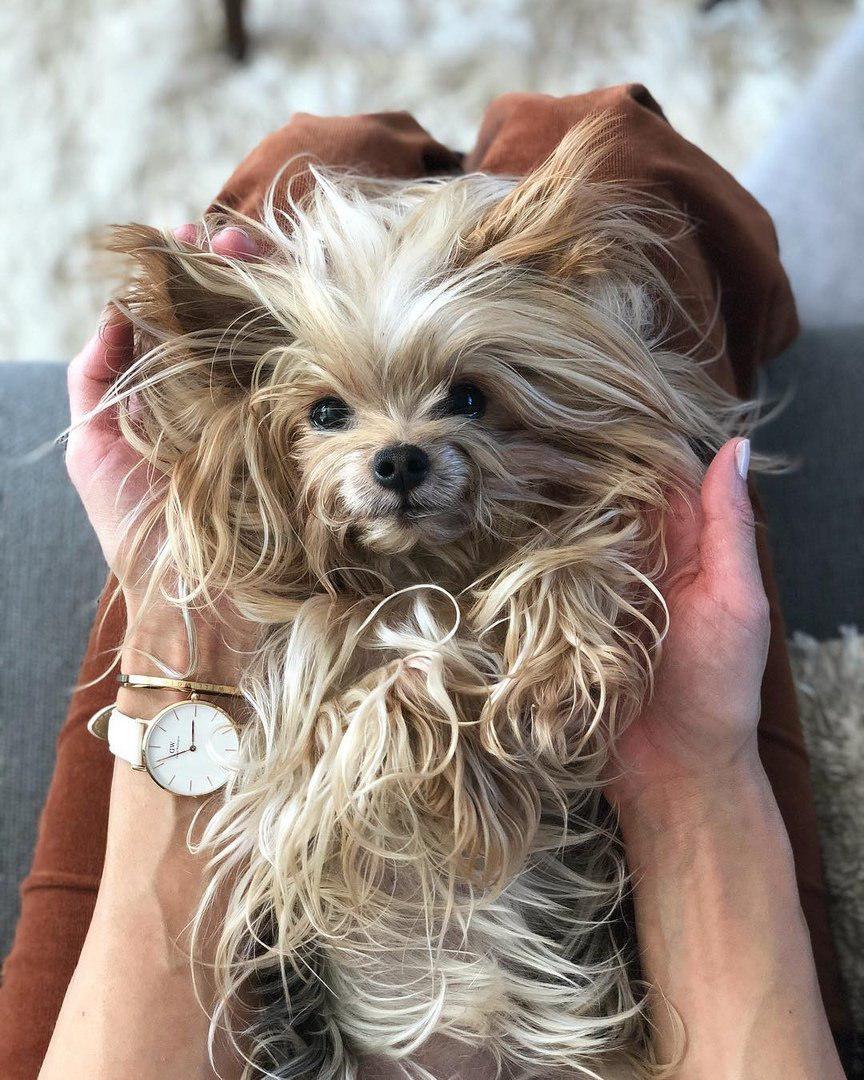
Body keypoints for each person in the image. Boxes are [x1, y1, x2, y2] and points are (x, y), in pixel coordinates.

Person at [0, 90, 849, 1077]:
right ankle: (475, 227)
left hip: (252, 1013)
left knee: (309, 164)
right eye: (332, 415)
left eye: (458, 403)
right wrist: (696, 767)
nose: (399, 450)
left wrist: (169, 619)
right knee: (627, 152)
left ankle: (390, 186)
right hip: (634, 997)